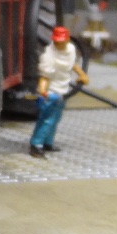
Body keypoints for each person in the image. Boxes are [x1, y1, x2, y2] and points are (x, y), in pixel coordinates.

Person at [30, 26, 89, 158]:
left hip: (63, 91)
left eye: (62, 41)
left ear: (67, 40)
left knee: (55, 119)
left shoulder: (70, 50)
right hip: (51, 93)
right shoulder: (49, 55)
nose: (59, 44)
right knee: (46, 120)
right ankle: (36, 144)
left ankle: (48, 142)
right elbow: (45, 76)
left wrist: (82, 75)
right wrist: (42, 90)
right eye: (57, 41)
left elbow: (72, 65)